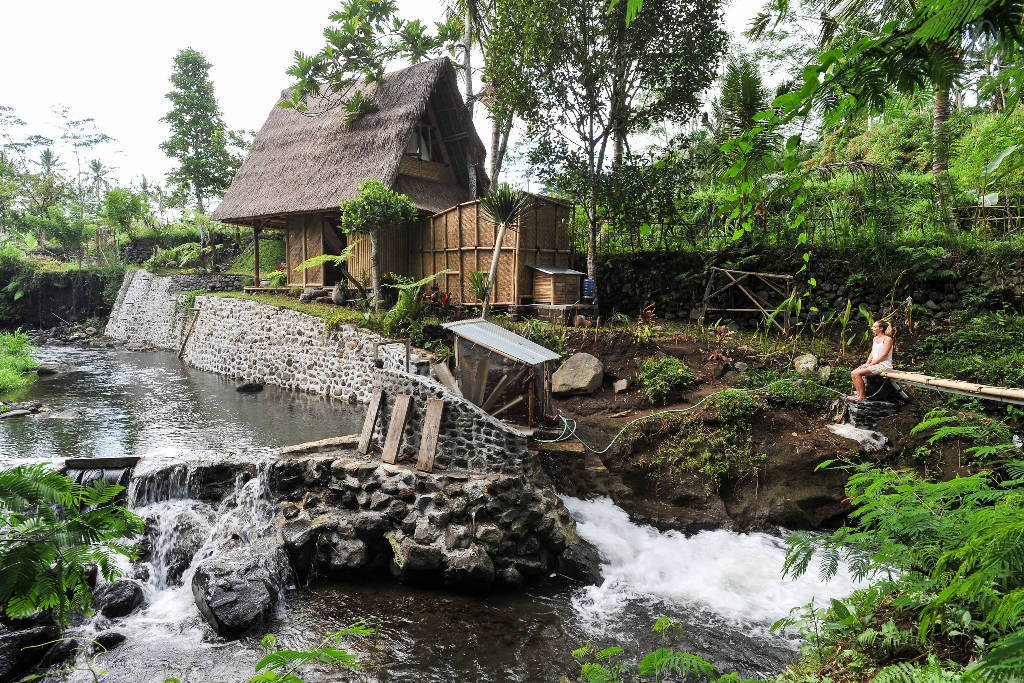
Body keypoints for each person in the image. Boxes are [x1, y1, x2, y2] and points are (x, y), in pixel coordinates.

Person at [849, 320, 894, 402]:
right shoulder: (875, 338)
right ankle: (859, 395)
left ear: (881, 328)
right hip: (874, 364)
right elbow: (872, 353)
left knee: (857, 373)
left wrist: (871, 364)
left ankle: (862, 397)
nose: (872, 328)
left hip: (884, 365)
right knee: (853, 373)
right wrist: (867, 363)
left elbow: (884, 355)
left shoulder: (887, 339)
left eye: (874, 327)